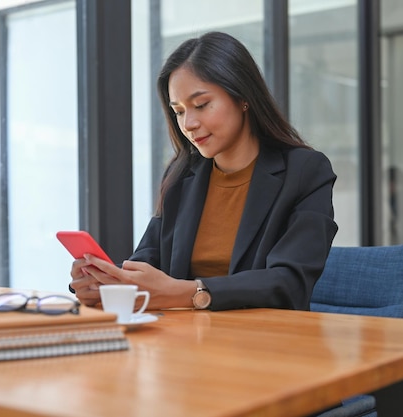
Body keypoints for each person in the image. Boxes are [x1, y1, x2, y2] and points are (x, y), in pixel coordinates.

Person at [69, 31, 338, 311]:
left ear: (243, 97)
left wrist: (191, 292)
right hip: (185, 340)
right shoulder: (182, 175)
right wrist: (106, 283)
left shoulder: (305, 171)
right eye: (179, 111)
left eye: (201, 105)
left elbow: (289, 283)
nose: (189, 123)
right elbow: (147, 262)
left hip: (266, 342)